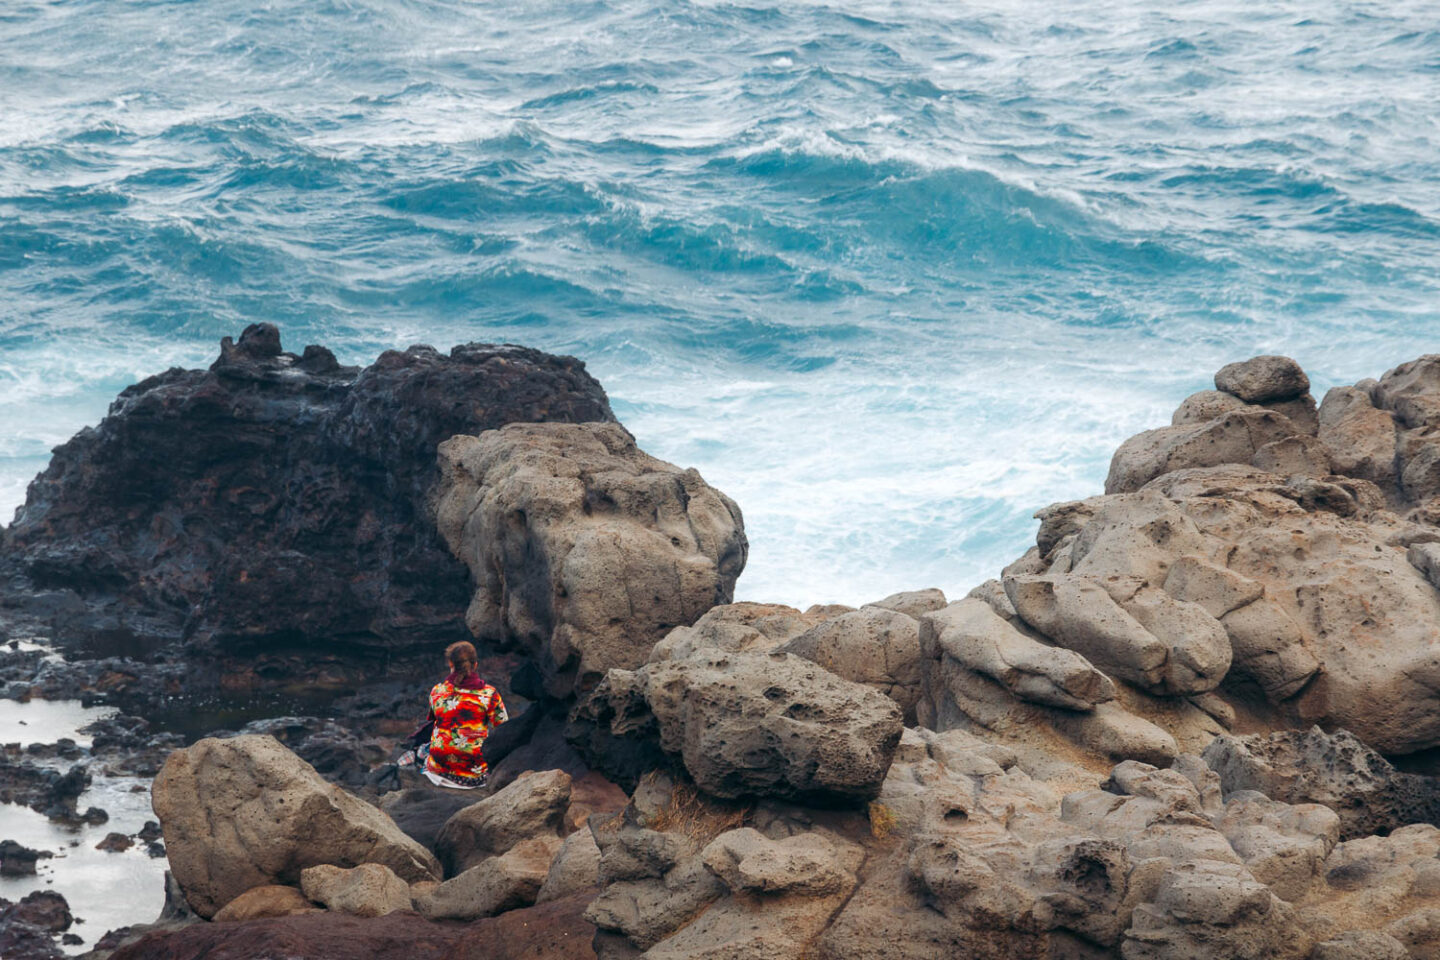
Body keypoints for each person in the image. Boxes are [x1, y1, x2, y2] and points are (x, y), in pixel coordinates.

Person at [419, 641, 508, 789]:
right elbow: (504, 728)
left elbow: (436, 718)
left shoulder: (437, 691)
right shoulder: (489, 694)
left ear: (450, 664)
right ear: (476, 665)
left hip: (440, 768)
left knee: (424, 748)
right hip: (474, 772)